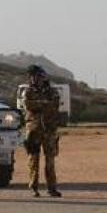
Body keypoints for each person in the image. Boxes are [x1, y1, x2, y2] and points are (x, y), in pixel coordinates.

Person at [21, 64, 63, 198]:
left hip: (49, 130)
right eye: (33, 76)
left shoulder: (52, 92)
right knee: (33, 160)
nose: (35, 79)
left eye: (38, 76)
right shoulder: (27, 91)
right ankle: (34, 187)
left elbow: (54, 107)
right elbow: (28, 105)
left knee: (50, 161)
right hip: (34, 130)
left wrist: (40, 104)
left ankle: (52, 187)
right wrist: (44, 104)